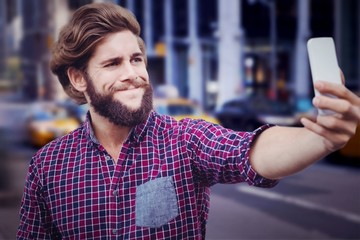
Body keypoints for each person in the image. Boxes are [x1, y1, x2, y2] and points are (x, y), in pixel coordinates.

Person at [17, 2, 360, 239]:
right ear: (78, 79)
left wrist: (320, 139)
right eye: (113, 64)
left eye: (137, 59)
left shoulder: (185, 139)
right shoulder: (47, 166)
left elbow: (251, 151)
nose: (133, 74)